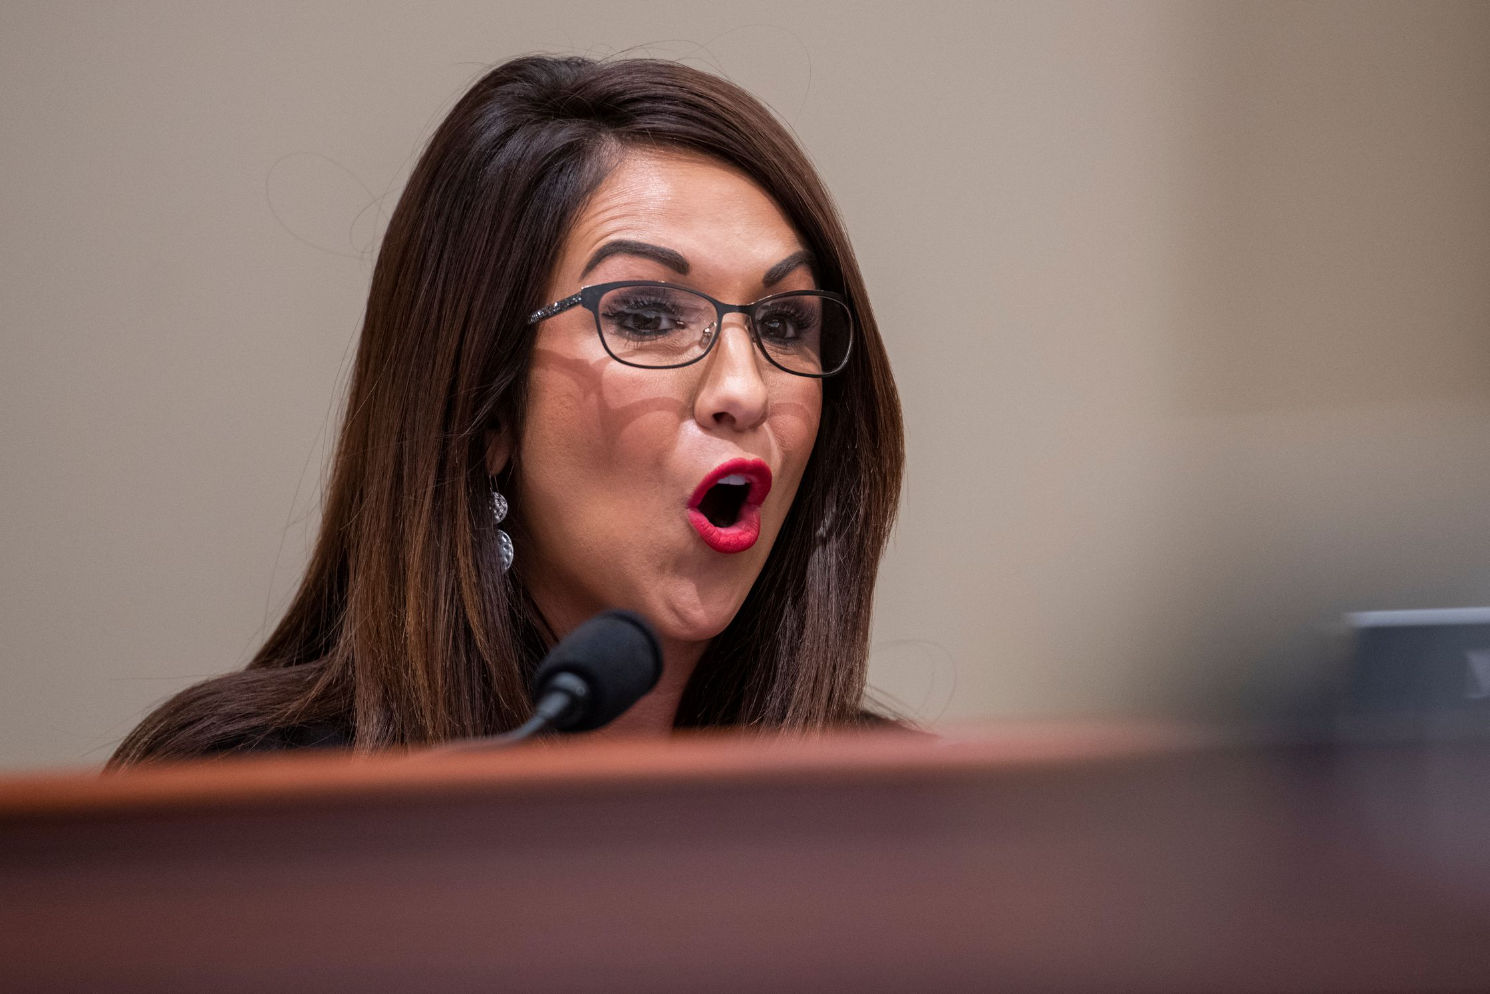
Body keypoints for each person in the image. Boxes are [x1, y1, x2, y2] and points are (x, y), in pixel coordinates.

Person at [109, 55, 904, 765]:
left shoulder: (895, 815)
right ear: (487, 407)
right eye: (650, 318)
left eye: (784, 325)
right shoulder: (246, 801)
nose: (744, 389)